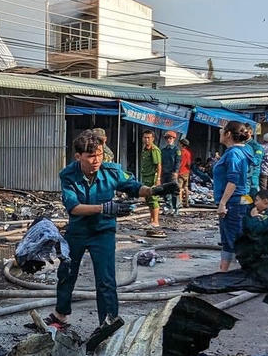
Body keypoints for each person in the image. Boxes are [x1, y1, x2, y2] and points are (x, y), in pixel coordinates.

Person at [48, 130, 177, 330]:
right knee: (66, 272)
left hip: (103, 232)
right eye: (91, 156)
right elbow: (73, 207)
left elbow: (133, 187)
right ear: (78, 156)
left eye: (99, 155)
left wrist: (153, 191)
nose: (96, 160)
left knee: (106, 280)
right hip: (78, 231)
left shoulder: (112, 171)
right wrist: (105, 208)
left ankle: (108, 324)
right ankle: (60, 315)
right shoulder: (68, 175)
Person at [214, 121, 256, 272]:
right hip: (238, 200)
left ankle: (249, 275)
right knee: (228, 239)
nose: (219, 133)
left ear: (228, 134)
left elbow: (233, 180)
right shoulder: (242, 151)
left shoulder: (234, 154)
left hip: (233, 202)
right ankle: (223, 272)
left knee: (236, 240)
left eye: (222, 131)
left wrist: (222, 203)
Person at [139, 131, 164, 237]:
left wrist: (158, 179)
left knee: (154, 200)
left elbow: (158, 166)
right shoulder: (144, 150)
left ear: (153, 138)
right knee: (149, 200)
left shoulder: (154, 150)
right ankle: (152, 220)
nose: (147, 140)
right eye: (145, 138)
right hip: (145, 178)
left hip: (152, 178)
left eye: (149, 138)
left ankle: (156, 221)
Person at [159, 131, 182, 215]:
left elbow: (178, 162)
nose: (169, 140)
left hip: (172, 173)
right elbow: (160, 162)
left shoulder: (176, 150)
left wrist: (176, 171)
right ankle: (168, 207)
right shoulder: (163, 150)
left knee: (174, 192)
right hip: (164, 173)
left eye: (170, 138)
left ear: (174, 139)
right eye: (167, 138)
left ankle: (176, 208)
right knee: (165, 191)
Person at [178, 137, 193, 208]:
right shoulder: (188, 153)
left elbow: (178, 163)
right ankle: (186, 203)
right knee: (186, 187)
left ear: (181, 144)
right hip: (186, 172)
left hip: (180, 172)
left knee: (180, 188)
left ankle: (180, 203)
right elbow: (189, 163)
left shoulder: (179, 152)